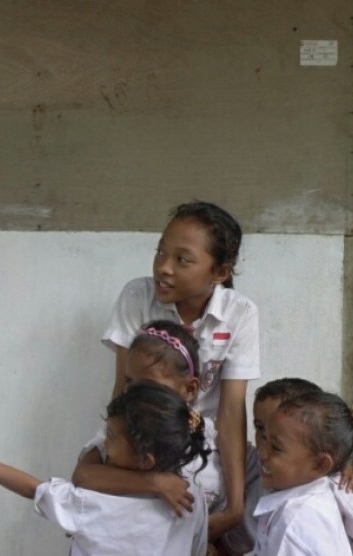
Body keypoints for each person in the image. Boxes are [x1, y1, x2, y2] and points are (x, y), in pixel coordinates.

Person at [102, 200, 259, 537]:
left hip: (203, 448)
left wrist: (235, 504)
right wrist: (107, 487)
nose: (164, 268)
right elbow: (123, 391)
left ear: (219, 272)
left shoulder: (240, 313)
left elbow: (232, 411)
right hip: (141, 436)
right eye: (161, 252)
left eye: (182, 260)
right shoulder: (137, 296)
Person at [0, 381, 211, 556]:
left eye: (110, 439)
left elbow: (32, 488)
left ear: (145, 460)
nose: (103, 446)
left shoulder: (94, 504)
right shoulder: (193, 499)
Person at [218, 378, 353, 556]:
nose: (262, 452)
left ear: (321, 464)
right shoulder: (290, 496)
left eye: (276, 446)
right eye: (262, 430)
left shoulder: (296, 520)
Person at [73, 320, 225, 517]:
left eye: (148, 384)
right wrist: (154, 483)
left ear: (189, 389)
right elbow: (83, 476)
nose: (134, 392)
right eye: (129, 381)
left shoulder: (213, 443)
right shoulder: (120, 430)